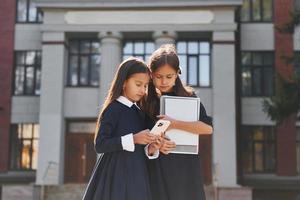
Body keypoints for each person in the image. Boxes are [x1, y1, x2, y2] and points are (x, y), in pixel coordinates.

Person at [82, 57, 160, 200]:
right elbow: (100, 144)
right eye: (138, 84)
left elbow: (140, 148)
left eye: (145, 86)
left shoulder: (140, 113)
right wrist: (134, 138)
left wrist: (150, 148)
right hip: (115, 176)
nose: (142, 90)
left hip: (138, 175)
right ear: (124, 82)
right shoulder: (113, 109)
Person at [143, 44, 213, 200]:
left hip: (186, 166)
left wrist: (174, 124)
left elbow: (208, 128)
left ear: (177, 74)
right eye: (159, 76)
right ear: (151, 75)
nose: (164, 81)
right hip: (157, 168)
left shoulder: (189, 97)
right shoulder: (144, 101)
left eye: (169, 76)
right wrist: (155, 146)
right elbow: (140, 138)